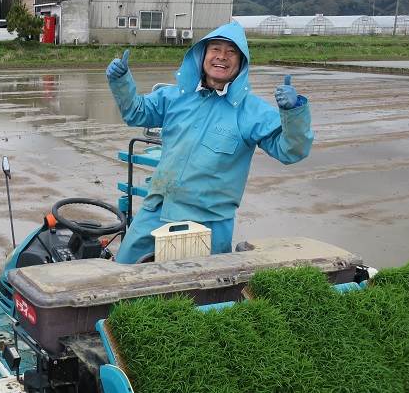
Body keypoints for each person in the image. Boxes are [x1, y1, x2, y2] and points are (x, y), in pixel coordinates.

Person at [106, 21, 313, 264]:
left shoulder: (251, 111)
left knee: (204, 291)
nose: (221, 57)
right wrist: (121, 81)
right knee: (124, 272)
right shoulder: (176, 97)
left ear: (241, 63)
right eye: (215, 49)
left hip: (210, 223)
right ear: (202, 55)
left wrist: (294, 112)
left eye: (231, 52)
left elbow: (291, 151)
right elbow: (136, 112)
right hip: (158, 210)